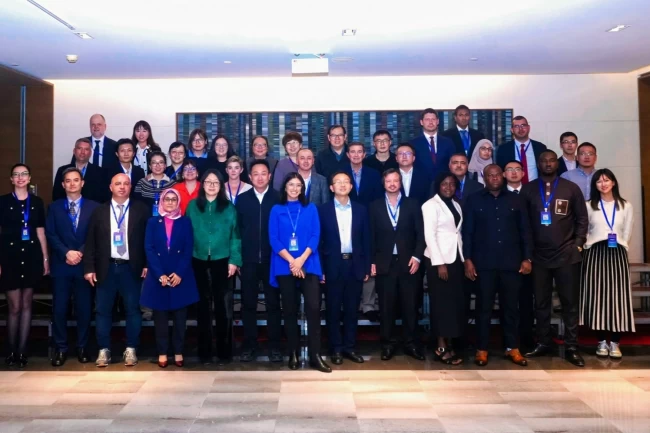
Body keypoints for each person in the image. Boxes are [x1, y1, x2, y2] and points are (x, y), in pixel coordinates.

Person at [521, 150, 588, 367]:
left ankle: (571, 346)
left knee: (569, 303)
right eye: (544, 161)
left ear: (556, 164)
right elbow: (524, 224)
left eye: (551, 160)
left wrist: (578, 245)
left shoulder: (571, 188)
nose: (548, 163)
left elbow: (582, 219)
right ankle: (543, 342)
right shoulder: (529, 189)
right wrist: (527, 253)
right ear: (538, 164)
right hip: (539, 257)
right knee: (541, 303)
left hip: (566, 255)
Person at [463, 164, 532, 367]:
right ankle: (481, 349)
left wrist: (527, 258)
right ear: (484, 178)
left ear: (502, 176)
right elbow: (467, 232)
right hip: (483, 264)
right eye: (489, 175)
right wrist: (467, 259)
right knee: (483, 308)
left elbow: (525, 231)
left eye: (496, 174)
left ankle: (512, 347)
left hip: (511, 264)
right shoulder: (474, 200)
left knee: (510, 308)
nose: (494, 178)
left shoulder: (516, 200)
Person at [83, 173, 149, 367]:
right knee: (103, 311)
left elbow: (148, 240)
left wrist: (147, 264)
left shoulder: (141, 209)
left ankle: (131, 348)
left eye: (126, 183)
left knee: (133, 310)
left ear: (130, 187)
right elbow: (91, 241)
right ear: (110, 187)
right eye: (118, 183)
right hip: (106, 268)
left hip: (131, 267)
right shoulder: (99, 211)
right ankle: (104, 349)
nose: (122, 187)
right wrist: (89, 267)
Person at [269, 173, 330, 372]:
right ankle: (293, 353)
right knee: (289, 310)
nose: (294, 188)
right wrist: (292, 261)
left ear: (303, 188)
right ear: (284, 187)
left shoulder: (310, 208)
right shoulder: (276, 209)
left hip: (308, 262)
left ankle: (315, 355)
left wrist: (301, 260)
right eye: (291, 185)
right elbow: (274, 238)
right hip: (284, 264)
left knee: (313, 309)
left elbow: (315, 235)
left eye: (298, 185)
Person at [185, 169, 242, 364]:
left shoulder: (229, 207)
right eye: (208, 182)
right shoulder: (193, 206)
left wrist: (234, 260)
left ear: (221, 186)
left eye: (215, 182)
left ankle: (225, 352)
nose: (211, 185)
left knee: (223, 308)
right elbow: (186, 234)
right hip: (198, 259)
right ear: (202, 184)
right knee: (202, 307)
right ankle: (204, 352)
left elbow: (235, 236)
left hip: (222, 260)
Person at [46, 167, 100, 367]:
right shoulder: (54, 207)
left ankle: (82, 347)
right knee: (60, 309)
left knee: (84, 309)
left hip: (84, 266)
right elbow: (51, 234)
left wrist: (80, 252)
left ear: (82, 183)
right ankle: (60, 348)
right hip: (62, 264)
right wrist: (66, 252)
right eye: (68, 181)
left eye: (76, 180)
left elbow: (96, 234)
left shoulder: (94, 207)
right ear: (63, 185)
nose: (72, 184)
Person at [369, 169, 425, 361]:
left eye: (395, 180)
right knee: (386, 307)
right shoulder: (375, 206)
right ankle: (388, 344)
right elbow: (370, 237)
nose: (392, 184)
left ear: (400, 183)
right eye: (388, 181)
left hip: (409, 263)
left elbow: (421, 233)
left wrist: (417, 257)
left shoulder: (412, 204)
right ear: (383, 183)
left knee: (410, 305)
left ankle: (411, 344)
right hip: (385, 263)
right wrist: (372, 260)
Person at [141, 189, 198, 368]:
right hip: (159, 275)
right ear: (162, 202)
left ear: (178, 202)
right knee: (161, 319)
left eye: (174, 199)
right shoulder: (152, 222)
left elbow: (188, 249)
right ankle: (163, 352)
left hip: (180, 276)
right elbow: (149, 248)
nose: (171, 202)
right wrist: (159, 274)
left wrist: (179, 273)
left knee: (180, 319)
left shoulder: (185, 222)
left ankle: (179, 352)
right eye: (167, 199)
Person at [581, 169, 635, 359]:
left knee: (618, 298)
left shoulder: (625, 205)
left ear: (613, 182)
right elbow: (585, 230)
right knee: (597, 297)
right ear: (594, 185)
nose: (603, 184)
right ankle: (602, 341)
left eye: (606, 180)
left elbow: (627, 231)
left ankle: (615, 343)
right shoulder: (589, 205)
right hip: (594, 252)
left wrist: (622, 244)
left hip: (617, 252)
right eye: (599, 181)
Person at [319, 171, 370, 365]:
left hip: (354, 265)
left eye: (346, 181)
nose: (342, 185)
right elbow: (318, 243)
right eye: (338, 182)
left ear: (351, 186)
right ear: (331, 187)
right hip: (332, 265)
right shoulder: (322, 210)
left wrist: (366, 267)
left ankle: (350, 347)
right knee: (332, 309)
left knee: (351, 310)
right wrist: (320, 269)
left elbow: (366, 240)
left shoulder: (361, 210)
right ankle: (336, 349)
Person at [1, 164, 48, 367]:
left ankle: (22, 351)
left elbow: (40, 232)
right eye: (16, 175)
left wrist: (45, 259)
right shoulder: (3, 201)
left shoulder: (37, 202)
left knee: (27, 304)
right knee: (14, 306)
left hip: (31, 256)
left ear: (29, 179)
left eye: (24, 174)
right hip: (9, 257)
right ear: (11, 179)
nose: (20, 178)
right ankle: (11, 351)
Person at [235, 160, 283, 363]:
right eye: (256, 173)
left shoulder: (279, 198)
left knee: (273, 304)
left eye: (264, 173)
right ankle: (249, 345)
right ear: (250, 177)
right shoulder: (242, 199)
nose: (260, 177)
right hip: (248, 261)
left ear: (270, 176)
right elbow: (236, 231)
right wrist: (238, 259)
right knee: (248, 304)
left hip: (274, 261)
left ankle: (275, 347)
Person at [422, 171, 465, 365]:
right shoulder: (430, 205)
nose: (448, 187)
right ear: (438, 185)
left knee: (453, 305)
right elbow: (429, 236)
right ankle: (440, 346)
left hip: (455, 259)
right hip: (438, 262)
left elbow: (456, 233)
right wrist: (440, 263)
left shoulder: (456, 204)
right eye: (444, 184)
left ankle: (449, 343)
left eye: (452, 184)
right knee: (441, 305)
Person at [503, 159, 534, 349]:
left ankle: (527, 341)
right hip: (505, 258)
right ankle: (509, 341)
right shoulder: (498, 194)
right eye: (509, 169)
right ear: (504, 174)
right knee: (508, 302)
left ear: (523, 173)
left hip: (527, 255)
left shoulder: (532, 193)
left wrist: (528, 256)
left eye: (517, 169)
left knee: (526, 299)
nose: (514, 172)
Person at [55, 137, 109, 203]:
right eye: (79, 148)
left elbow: (103, 197)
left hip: (93, 208)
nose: (82, 152)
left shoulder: (100, 172)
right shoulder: (62, 170)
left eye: (86, 149)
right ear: (74, 151)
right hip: (67, 207)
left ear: (90, 153)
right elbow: (56, 195)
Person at [495, 115, 547, 184]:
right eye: (516, 126)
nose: (520, 129)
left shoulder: (540, 147)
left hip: (536, 188)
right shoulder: (503, 149)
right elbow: (500, 171)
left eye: (523, 125)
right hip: (513, 188)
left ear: (528, 128)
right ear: (512, 130)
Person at [410, 108, 455, 183]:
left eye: (433, 119)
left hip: (444, 184)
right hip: (421, 184)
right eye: (427, 119)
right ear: (421, 122)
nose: (430, 122)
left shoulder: (448, 142)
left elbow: (453, 163)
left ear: (438, 121)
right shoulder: (413, 143)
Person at [345, 142, 382, 207]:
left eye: (359, 152)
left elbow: (378, 198)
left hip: (369, 211)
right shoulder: (341, 173)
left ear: (364, 155)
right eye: (353, 152)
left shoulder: (374, 174)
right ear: (348, 155)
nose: (356, 155)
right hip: (346, 211)